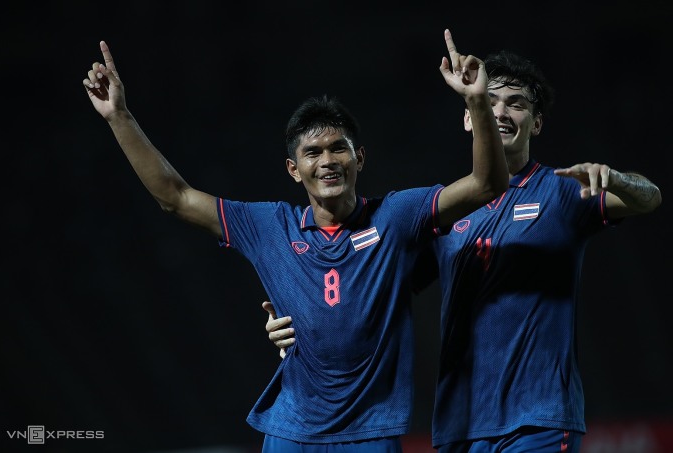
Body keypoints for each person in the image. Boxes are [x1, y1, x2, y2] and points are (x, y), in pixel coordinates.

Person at [82, 29, 508, 451]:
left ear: (359, 158)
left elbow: (487, 184)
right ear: (293, 169)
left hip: (370, 435)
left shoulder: (396, 217)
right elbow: (175, 198)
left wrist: (476, 101)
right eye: (313, 152)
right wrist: (120, 117)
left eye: (339, 149)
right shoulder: (270, 227)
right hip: (291, 434)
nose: (328, 161)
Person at [263, 49, 663, 452]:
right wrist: (292, 322)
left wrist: (619, 180)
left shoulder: (563, 190)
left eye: (517, 104)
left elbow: (649, 198)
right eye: (489, 101)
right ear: (470, 117)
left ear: (536, 123)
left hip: (536, 420)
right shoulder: (445, 215)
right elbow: (363, 296)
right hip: (459, 425)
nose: (502, 112)